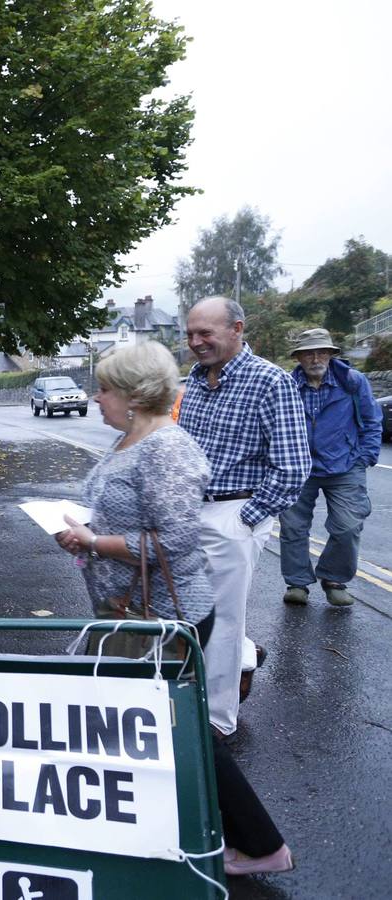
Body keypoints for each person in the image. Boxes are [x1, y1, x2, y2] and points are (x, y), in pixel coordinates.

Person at [53, 341, 294, 876]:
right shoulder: (130, 439)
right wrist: (84, 536)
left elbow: (177, 539)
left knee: (179, 728)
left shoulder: (165, 448)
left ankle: (262, 846)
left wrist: (95, 542)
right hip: (134, 613)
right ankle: (157, 822)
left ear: (135, 396)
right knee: (157, 724)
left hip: (164, 619)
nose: (96, 397)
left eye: (106, 388)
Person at [177, 297, 309, 734]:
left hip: (236, 510)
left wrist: (246, 518)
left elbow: (293, 466)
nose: (195, 343)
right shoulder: (193, 381)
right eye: (191, 333)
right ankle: (245, 658)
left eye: (206, 334)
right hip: (191, 510)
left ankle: (216, 721)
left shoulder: (270, 381)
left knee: (224, 620)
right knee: (190, 611)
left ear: (236, 329)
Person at [278, 329, 382, 607]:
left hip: (345, 465)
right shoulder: (287, 385)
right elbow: (276, 426)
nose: (316, 358)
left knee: (348, 526)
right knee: (293, 528)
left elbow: (372, 421)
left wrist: (365, 457)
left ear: (331, 354)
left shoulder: (352, 381)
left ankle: (335, 580)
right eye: (309, 353)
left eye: (322, 352)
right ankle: (297, 582)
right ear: (298, 357)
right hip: (299, 467)